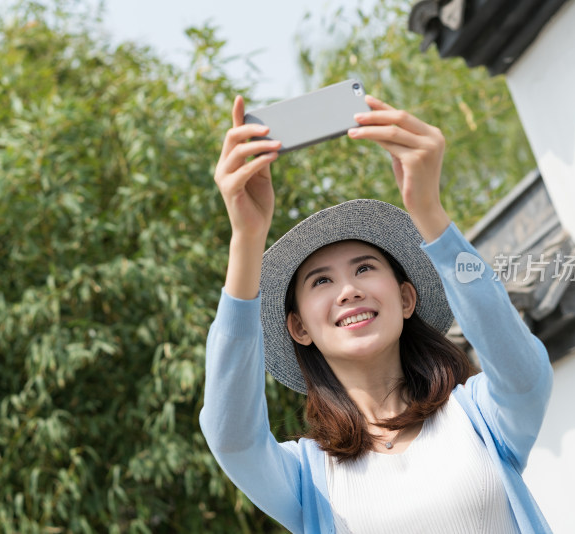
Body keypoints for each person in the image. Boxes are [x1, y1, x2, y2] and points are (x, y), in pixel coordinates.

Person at [200, 93, 554, 534]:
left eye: (365, 268)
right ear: (299, 327)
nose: (349, 290)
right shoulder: (306, 476)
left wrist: (429, 212)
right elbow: (230, 437)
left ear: (406, 299)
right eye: (321, 281)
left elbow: (524, 372)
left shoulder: (480, 416)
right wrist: (246, 239)